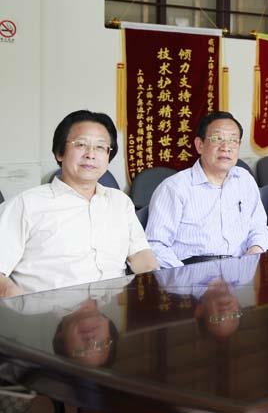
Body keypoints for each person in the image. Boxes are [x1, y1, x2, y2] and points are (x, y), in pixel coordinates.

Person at [0, 110, 158, 297]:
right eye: (81, 144)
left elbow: (141, 255)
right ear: (60, 153)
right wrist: (18, 305)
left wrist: (157, 292)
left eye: (101, 147)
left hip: (112, 310)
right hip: (46, 312)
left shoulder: (120, 202)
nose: (91, 154)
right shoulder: (25, 205)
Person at [145, 111, 268, 268]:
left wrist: (255, 250)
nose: (226, 147)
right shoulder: (174, 188)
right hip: (192, 272)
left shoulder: (245, 180)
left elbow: (259, 227)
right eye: (217, 139)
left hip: (240, 269)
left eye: (233, 140)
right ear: (200, 145)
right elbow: (155, 245)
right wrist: (185, 276)